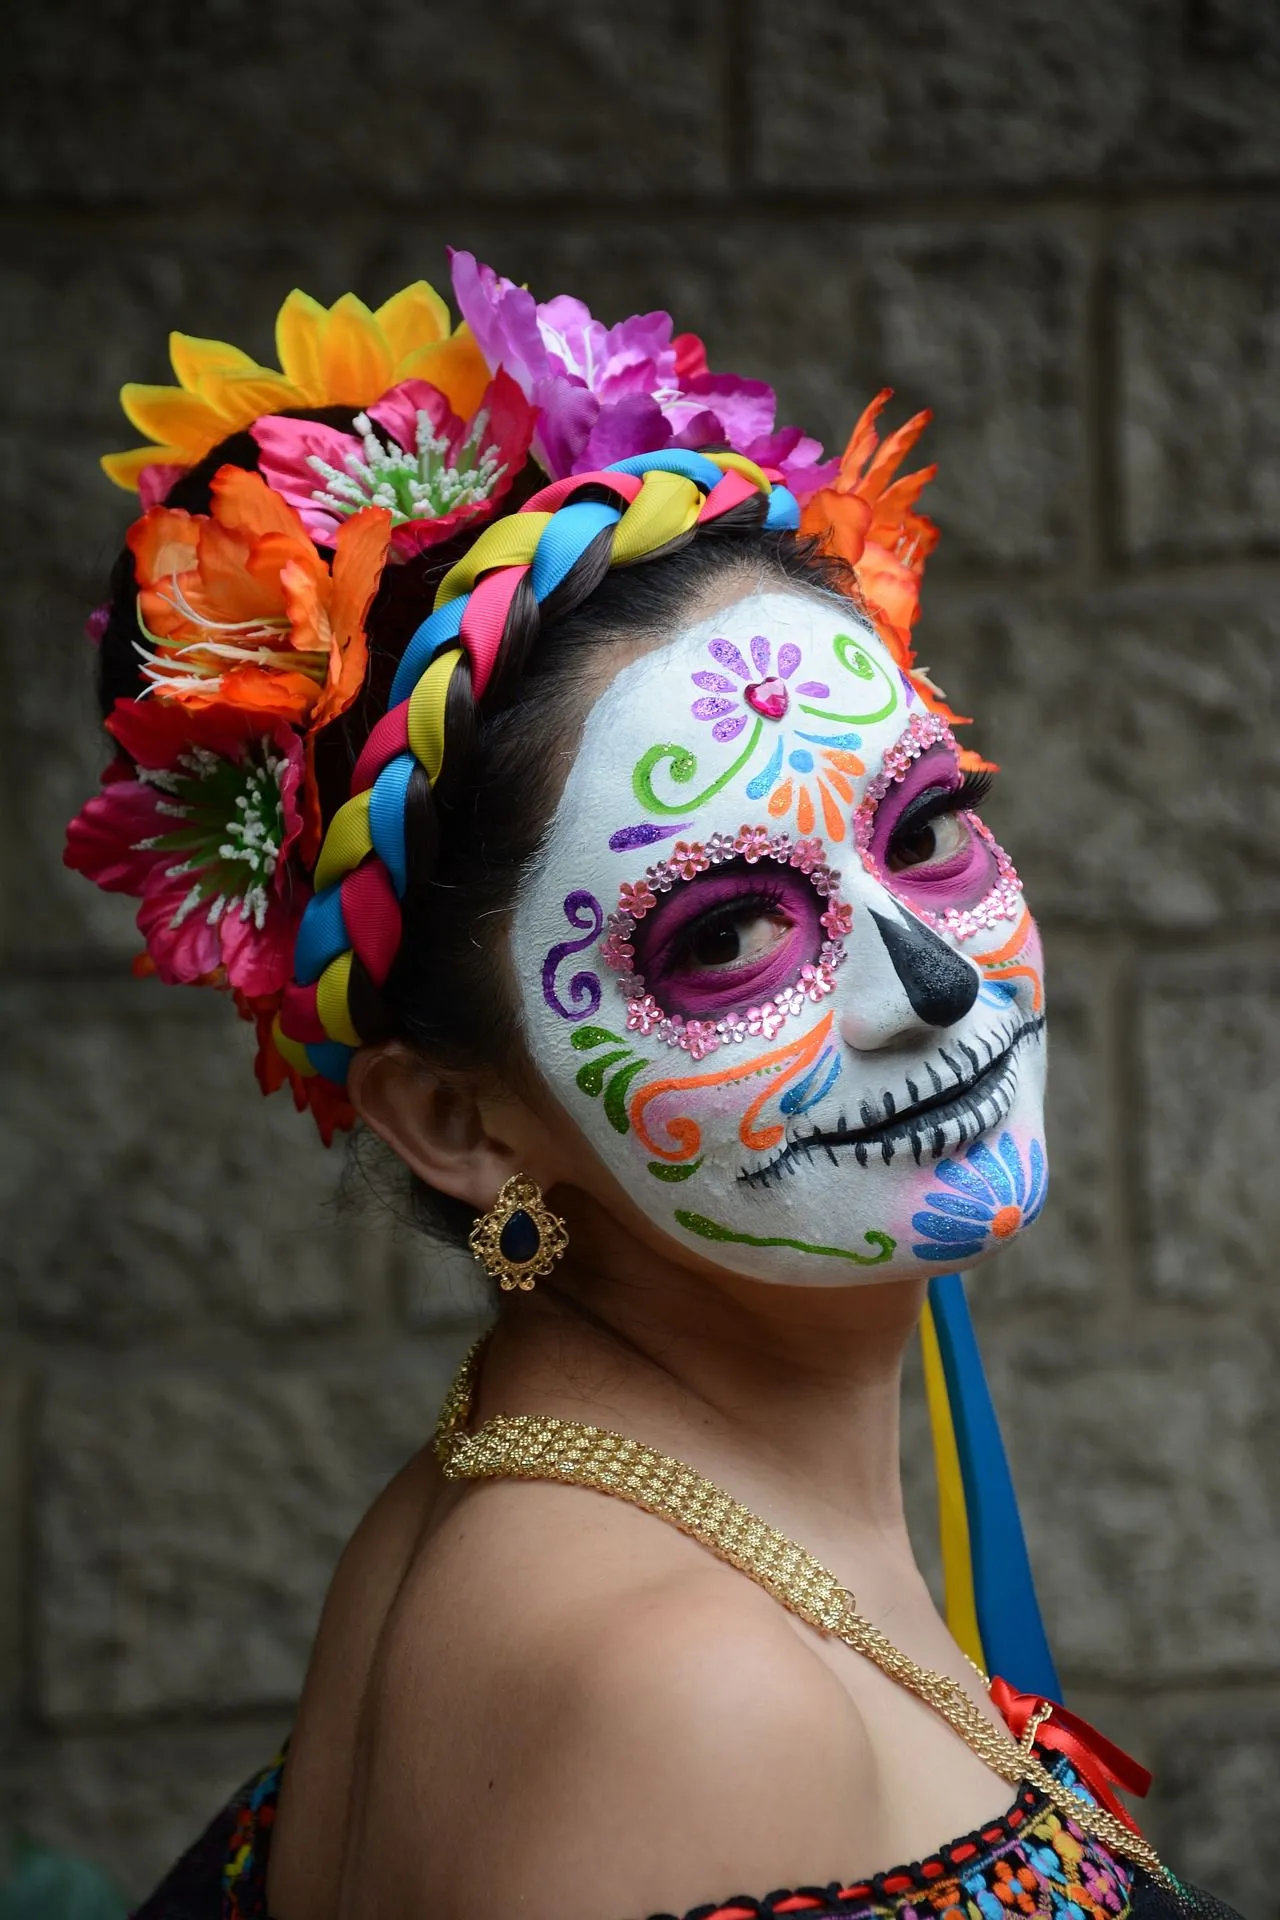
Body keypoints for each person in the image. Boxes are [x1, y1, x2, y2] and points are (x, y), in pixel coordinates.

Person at [65, 255, 1237, 1920]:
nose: (935, 982)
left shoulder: (540, 1491)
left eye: (924, 829)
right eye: (730, 934)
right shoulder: (677, 1694)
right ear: (456, 1123)